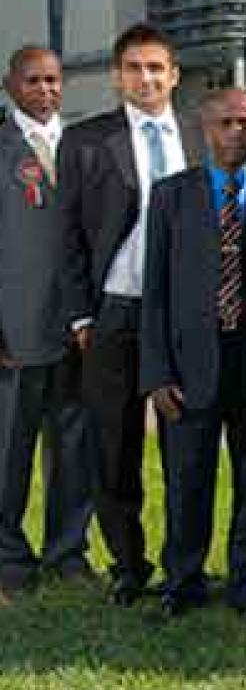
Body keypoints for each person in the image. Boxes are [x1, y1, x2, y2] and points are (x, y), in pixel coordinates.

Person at [58, 22, 203, 606]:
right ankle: (128, 563)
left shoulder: (199, 133)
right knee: (113, 446)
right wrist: (80, 318)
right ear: (118, 76)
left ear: (174, 75)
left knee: (184, 446)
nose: (146, 78)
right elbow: (65, 235)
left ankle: (182, 566)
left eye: (155, 68)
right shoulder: (87, 141)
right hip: (113, 315)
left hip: (184, 318)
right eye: (134, 68)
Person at [139, 88, 246, 622]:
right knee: (187, 479)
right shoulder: (171, 197)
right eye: (226, 122)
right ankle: (183, 580)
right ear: (205, 129)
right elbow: (153, 288)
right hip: (188, 366)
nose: (237, 132)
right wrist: (156, 373)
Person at [0, 46, 94, 600]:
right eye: (33, 81)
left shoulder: (80, 146)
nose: (46, 91)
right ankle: (8, 557)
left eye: (54, 81)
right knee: (10, 448)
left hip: (75, 330)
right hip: (15, 332)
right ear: (11, 86)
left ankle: (68, 551)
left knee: (75, 445)